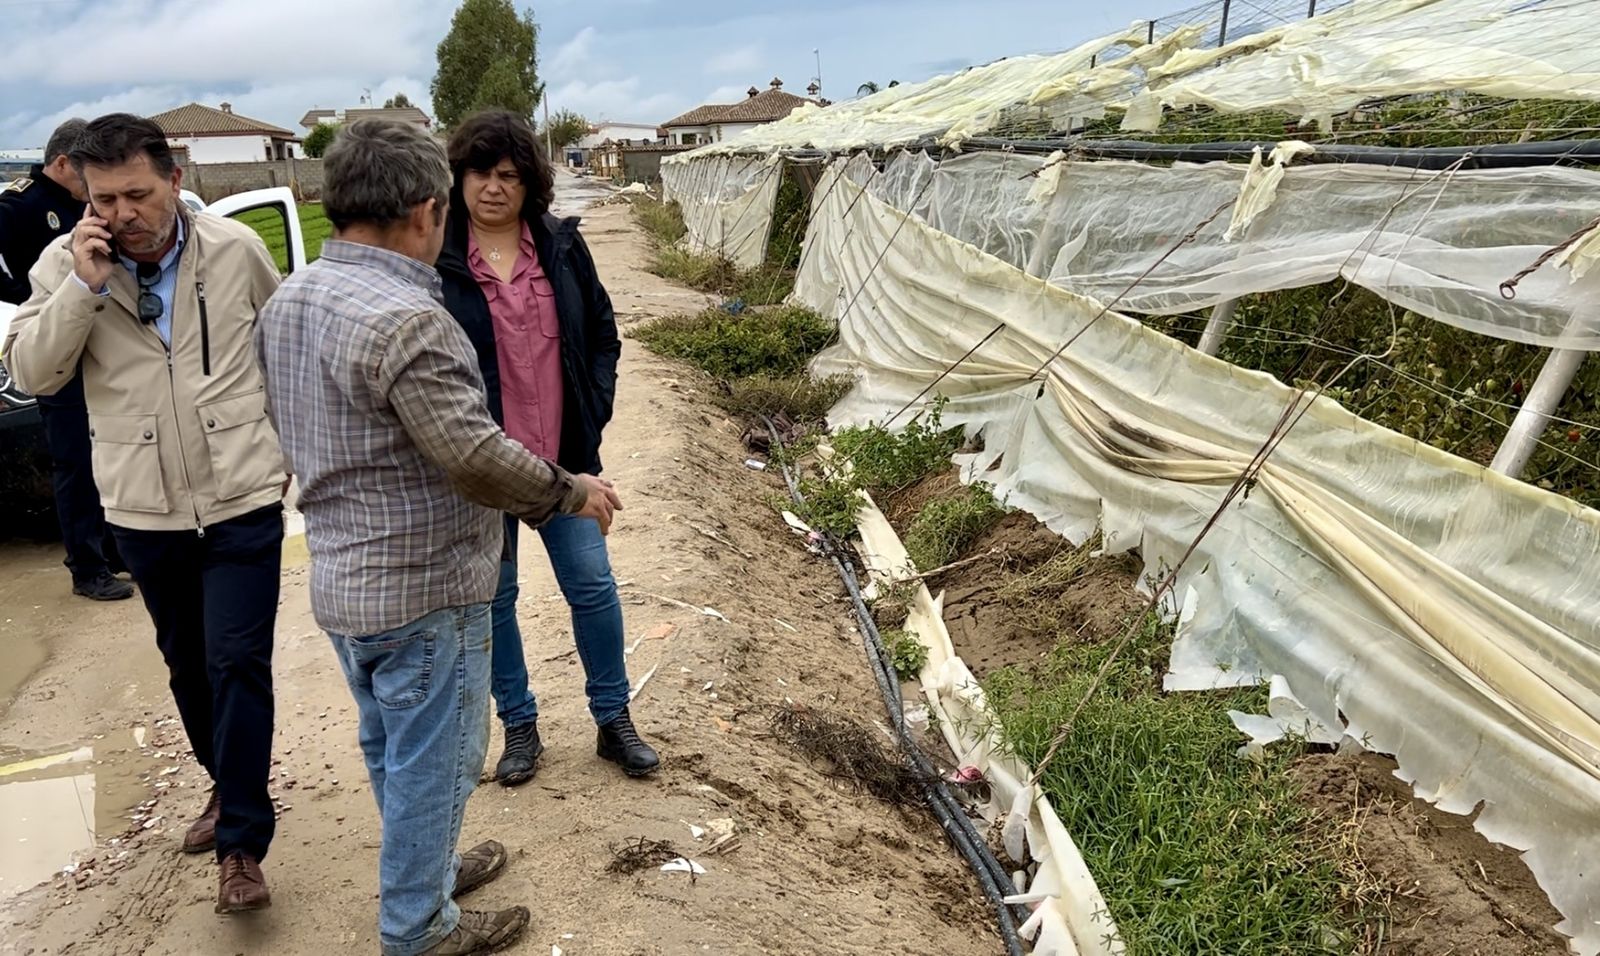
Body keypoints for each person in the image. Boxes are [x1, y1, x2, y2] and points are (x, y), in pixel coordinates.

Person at [256, 118, 621, 956]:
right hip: (424, 590)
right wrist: (571, 490)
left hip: (346, 583)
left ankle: (428, 871)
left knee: (391, 745)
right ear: (428, 209)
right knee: (442, 762)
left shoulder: (292, 297)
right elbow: (473, 457)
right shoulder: (409, 320)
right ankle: (418, 929)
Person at [3, 113, 287, 913]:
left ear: (175, 182)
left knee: (237, 662)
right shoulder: (64, 265)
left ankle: (242, 842)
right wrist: (82, 289)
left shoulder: (237, 252)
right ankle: (225, 786)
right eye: (104, 198)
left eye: (137, 193)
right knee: (188, 666)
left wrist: (288, 457)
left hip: (240, 496)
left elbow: (285, 347)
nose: (123, 213)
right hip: (142, 506)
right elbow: (33, 370)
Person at [438, 109, 659, 786]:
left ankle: (614, 719)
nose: (494, 187)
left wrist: (594, 409)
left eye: (509, 174)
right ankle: (520, 727)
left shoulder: (560, 245)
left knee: (592, 586)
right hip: (485, 467)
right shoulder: (441, 261)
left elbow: (601, 331)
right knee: (495, 598)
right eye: (480, 172)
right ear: (458, 178)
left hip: (564, 457)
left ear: (529, 182)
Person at [0, 117, 133, 601]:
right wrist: (41, 302)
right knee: (75, 461)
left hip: (97, 343)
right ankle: (87, 566)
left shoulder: (84, 207)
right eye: (84, 177)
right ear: (62, 164)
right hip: (53, 348)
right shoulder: (19, 207)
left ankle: (117, 552)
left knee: (110, 454)